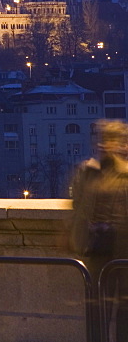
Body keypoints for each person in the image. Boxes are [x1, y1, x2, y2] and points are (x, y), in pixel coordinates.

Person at [70, 120, 128, 341]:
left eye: (112, 140)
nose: (106, 145)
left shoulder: (123, 174)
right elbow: (78, 207)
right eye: (104, 139)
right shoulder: (88, 172)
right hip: (97, 250)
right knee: (97, 311)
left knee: (123, 312)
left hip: (122, 251)